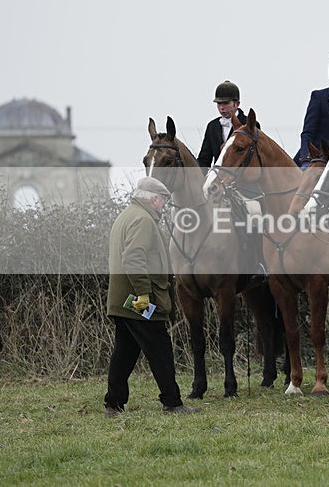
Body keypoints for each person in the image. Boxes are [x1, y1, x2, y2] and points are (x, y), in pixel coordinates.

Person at [104, 176, 199, 417]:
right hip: (138, 302)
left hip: (123, 301)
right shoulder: (143, 220)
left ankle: (113, 404)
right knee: (160, 349)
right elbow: (134, 258)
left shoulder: (127, 215)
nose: (164, 206)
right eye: (163, 201)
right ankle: (173, 402)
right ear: (154, 199)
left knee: (124, 353)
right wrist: (144, 294)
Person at [197, 80, 251, 172]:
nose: (221, 107)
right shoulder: (212, 126)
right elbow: (204, 159)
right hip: (218, 179)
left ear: (236, 104)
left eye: (225, 103)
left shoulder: (249, 124)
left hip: (242, 180)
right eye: (219, 104)